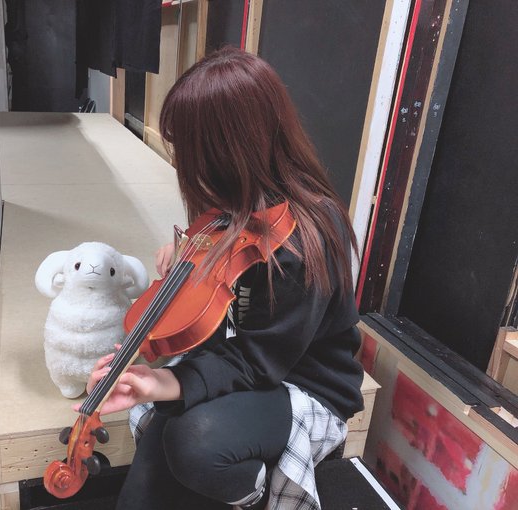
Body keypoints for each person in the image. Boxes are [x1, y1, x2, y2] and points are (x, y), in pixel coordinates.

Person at [80, 47, 365, 510]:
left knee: (194, 440)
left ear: (230, 152)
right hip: (235, 359)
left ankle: (259, 493)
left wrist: (165, 383)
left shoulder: (306, 234)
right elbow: (229, 293)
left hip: (299, 381)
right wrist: (186, 255)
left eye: (191, 152)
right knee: (146, 480)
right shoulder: (234, 205)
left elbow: (258, 358)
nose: (183, 165)